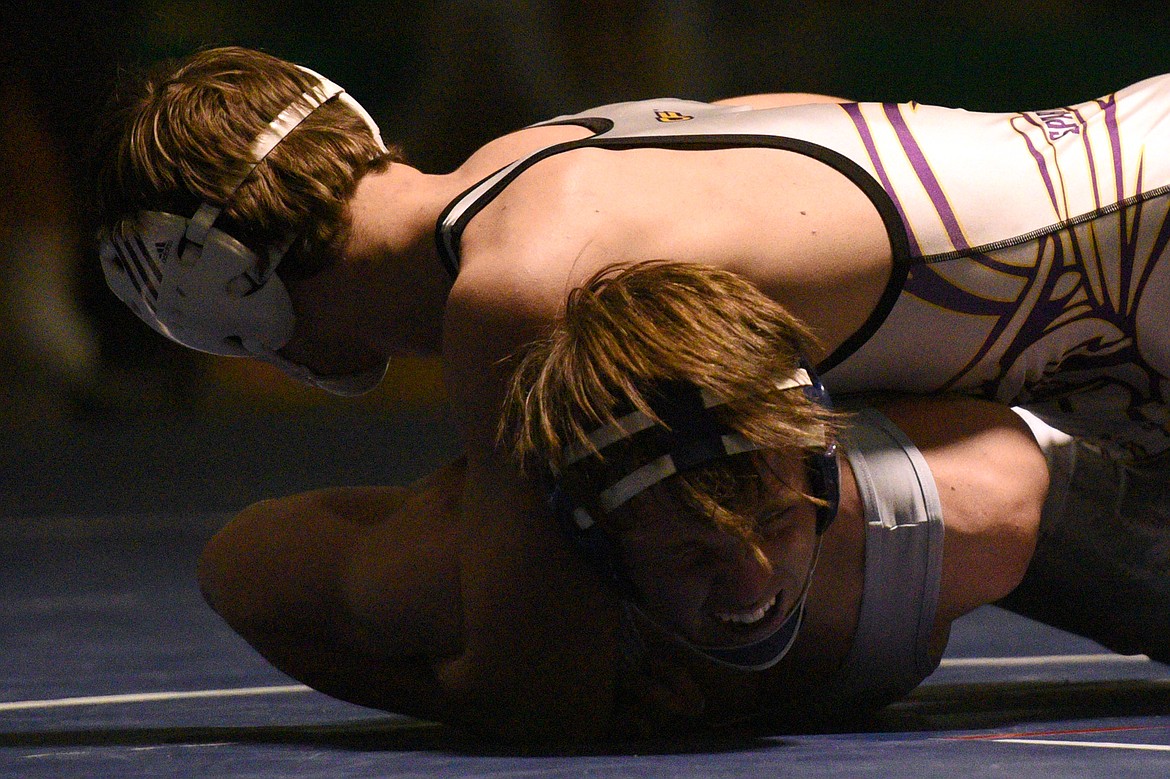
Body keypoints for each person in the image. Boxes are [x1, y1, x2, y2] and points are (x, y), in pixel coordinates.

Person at [94, 46, 1170, 733]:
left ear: (227, 299)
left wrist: (447, 686)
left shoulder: (517, 289)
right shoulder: (543, 154)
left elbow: (533, 691)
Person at [197, 261, 1050, 740]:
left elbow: (1020, 447)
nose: (751, 581)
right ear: (595, 544)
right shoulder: (496, 580)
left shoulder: (968, 514)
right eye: (692, 553)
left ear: (819, 477)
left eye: (778, 521)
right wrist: (478, 693)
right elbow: (235, 569)